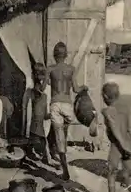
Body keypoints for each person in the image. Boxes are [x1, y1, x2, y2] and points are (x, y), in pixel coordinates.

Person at [43, 42, 85, 181]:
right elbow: (76, 89)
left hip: (55, 103)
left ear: (54, 55)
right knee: (63, 136)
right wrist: (84, 87)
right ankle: (59, 152)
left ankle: (64, 169)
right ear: (66, 55)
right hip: (67, 106)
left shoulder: (50, 69)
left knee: (59, 137)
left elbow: (44, 87)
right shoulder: (71, 69)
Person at [101, 82, 131, 192]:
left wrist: (123, 146)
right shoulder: (126, 109)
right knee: (126, 174)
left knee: (111, 174)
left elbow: (115, 132)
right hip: (128, 143)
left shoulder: (107, 111)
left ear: (105, 97)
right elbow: (130, 127)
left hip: (117, 146)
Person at [22, 63, 57, 165]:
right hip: (38, 116)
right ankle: (47, 158)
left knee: (39, 136)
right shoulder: (35, 88)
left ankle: (35, 152)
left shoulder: (43, 90)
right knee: (41, 138)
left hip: (42, 114)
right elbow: (40, 90)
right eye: (40, 75)